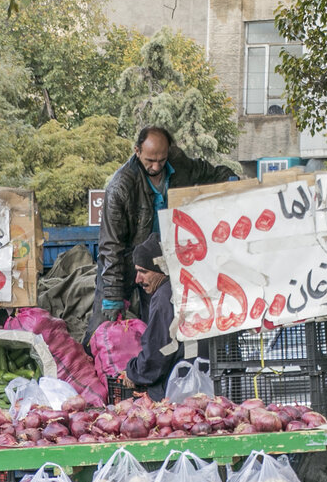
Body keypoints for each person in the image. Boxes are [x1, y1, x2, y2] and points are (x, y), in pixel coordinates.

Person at [94, 126, 235, 329]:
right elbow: (110, 246)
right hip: (125, 264)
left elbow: (206, 172)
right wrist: (113, 293)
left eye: (161, 159)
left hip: (167, 261)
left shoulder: (178, 163)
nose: (156, 166)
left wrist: (229, 179)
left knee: (159, 324)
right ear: (137, 151)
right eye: (150, 160)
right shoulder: (120, 186)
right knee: (104, 329)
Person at [121, 234, 184, 400]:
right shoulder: (177, 290)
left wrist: (133, 372)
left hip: (174, 387)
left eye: (143, 271)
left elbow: (157, 351)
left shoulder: (164, 297)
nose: (137, 279)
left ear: (160, 270)